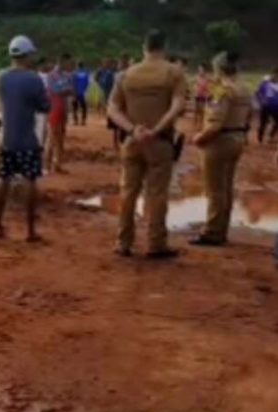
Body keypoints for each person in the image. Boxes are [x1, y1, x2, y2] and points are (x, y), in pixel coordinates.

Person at [108, 30, 188, 259]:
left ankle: (123, 242)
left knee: (128, 192)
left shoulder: (126, 74)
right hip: (159, 141)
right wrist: (157, 128)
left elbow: (112, 108)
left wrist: (133, 129)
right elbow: (178, 105)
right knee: (157, 194)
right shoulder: (173, 72)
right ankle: (156, 243)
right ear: (163, 47)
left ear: (144, 47)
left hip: (132, 141)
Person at [189, 52, 253, 247]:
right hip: (238, 137)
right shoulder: (244, 88)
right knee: (226, 187)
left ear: (219, 69)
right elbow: (249, 116)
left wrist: (200, 138)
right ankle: (221, 227)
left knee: (214, 189)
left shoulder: (221, 90)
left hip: (220, 141)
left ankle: (213, 232)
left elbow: (215, 123)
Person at [0, 35, 50, 242]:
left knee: (4, 178)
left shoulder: (1, 77)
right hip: (27, 139)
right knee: (30, 180)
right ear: (26, 55)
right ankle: (30, 231)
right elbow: (45, 106)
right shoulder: (33, 79)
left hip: (8, 139)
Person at [44, 53, 74, 174]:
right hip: (54, 108)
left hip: (63, 108)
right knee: (52, 137)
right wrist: (65, 90)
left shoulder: (66, 75)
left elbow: (70, 90)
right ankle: (47, 164)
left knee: (61, 136)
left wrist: (65, 90)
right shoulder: (51, 75)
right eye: (68, 63)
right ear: (61, 61)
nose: (69, 66)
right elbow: (56, 90)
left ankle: (57, 164)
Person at [255, 69, 278, 144]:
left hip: (276, 107)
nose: (276, 76)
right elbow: (258, 93)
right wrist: (261, 101)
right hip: (266, 106)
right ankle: (260, 138)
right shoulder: (265, 83)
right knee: (263, 123)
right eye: (275, 74)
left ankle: (270, 136)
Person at [72, 61, 90, 126]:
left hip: (76, 92)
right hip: (83, 93)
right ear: (83, 66)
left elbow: (73, 84)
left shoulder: (74, 73)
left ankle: (75, 120)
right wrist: (86, 91)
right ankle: (83, 120)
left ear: (77, 66)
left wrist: (73, 93)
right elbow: (87, 83)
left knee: (75, 107)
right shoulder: (86, 73)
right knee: (84, 107)